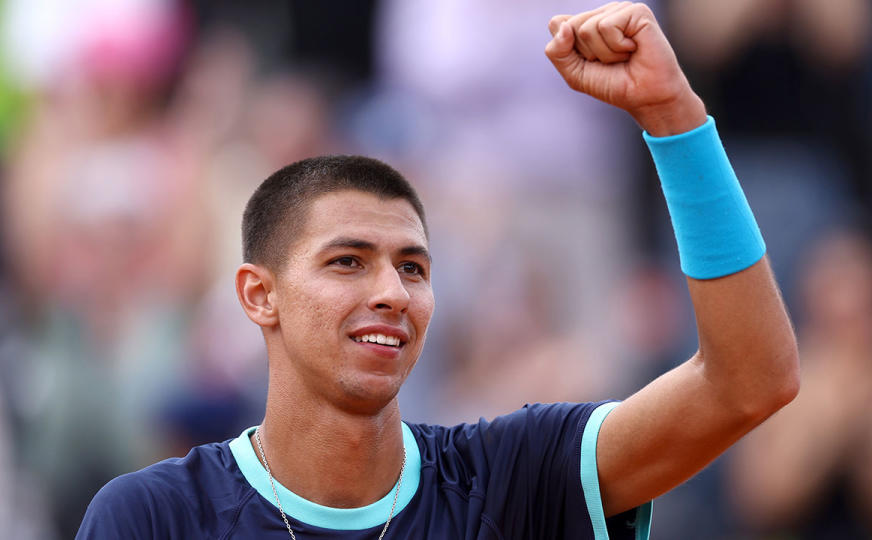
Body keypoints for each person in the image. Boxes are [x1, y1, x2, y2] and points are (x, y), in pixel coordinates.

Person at [76, 3, 800, 538]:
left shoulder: (511, 478)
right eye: (348, 261)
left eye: (414, 268)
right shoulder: (154, 515)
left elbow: (750, 381)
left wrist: (673, 116)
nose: (391, 292)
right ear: (259, 295)